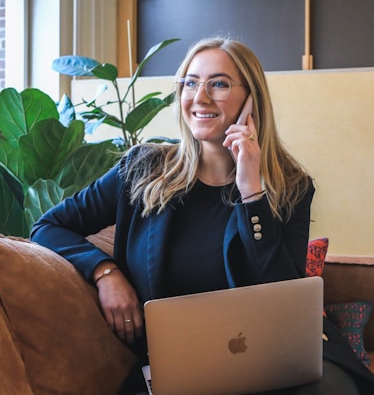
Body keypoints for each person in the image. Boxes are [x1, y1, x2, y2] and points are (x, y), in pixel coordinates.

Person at [31, 37, 374, 394]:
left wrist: (251, 192)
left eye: (219, 84)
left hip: (276, 357)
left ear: (251, 99)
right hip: (179, 364)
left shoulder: (290, 186)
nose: (200, 96)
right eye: (190, 83)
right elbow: (48, 226)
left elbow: (284, 299)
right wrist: (105, 273)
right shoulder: (141, 169)